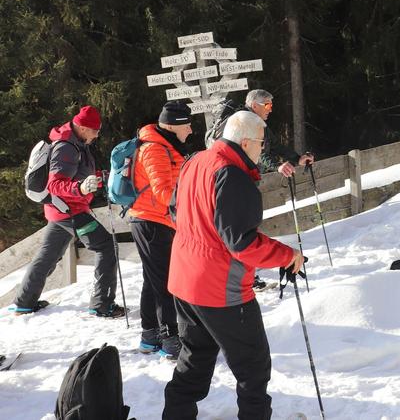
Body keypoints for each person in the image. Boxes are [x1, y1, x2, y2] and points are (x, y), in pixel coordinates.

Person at [163, 110, 303, 419]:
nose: (262, 150)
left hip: (185, 279)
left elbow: (174, 212)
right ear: (245, 141)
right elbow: (241, 243)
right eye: (261, 144)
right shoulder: (232, 174)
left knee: (194, 358)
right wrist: (288, 255)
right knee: (253, 367)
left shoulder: (196, 161)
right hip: (220, 289)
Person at [10, 106, 124, 318]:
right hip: (70, 211)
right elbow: (56, 184)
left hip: (60, 211)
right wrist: (79, 188)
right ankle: (102, 305)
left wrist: (98, 177)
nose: (97, 134)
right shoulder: (66, 147)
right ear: (81, 127)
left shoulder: (76, 142)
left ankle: (24, 302)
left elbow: (79, 172)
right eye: (95, 130)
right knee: (106, 246)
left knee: (48, 255)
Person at [128, 101, 193, 359]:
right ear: (173, 126)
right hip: (151, 221)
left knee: (152, 279)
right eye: (187, 125)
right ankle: (170, 339)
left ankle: (149, 336)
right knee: (166, 281)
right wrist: (192, 195)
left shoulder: (167, 147)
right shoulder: (155, 150)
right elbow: (165, 194)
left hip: (155, 220)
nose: (190, 130)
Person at [207, 89, 314, 178]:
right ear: (254, 106)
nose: (270, 110)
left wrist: (297, 158)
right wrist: (277, 166)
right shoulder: (246, 122)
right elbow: (259, 153)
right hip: (237, 175)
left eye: (271, 105)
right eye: (267, 105)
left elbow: (275, 145)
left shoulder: (258, 123)